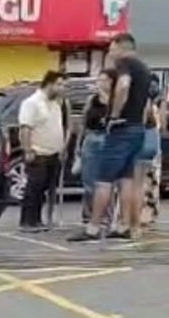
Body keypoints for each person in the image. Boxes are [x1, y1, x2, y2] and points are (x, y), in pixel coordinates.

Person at [68, 33, 152, 241]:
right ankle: (125, 225)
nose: (110, 53)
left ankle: (93, 227)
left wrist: (114, 116)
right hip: (137, 129)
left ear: (122, 47)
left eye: (112, 48)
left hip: (121, 129)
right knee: (127, 179)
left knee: (103, 180)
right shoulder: (144, 68)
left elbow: (123, 85)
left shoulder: (124, 63)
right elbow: (146, 104)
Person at [18, 71, 67, 233]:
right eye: (60, 84)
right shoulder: (32, 103)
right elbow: (26, 128)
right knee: (34, 187)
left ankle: (37, 219)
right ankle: (27, 221)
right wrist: (28, 149)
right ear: (50, 84)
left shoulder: (55, 103)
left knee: (44, 188)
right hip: (38, 152)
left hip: (52, 152)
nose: (62, 88)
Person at [74, 69, 117, 226]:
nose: (100, 83)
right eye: (99, 80)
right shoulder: (92, 100)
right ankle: (89, 215)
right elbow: (83, 123)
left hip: (108, 139)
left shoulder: (116, 100)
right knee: (89, 180)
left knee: (107, 181)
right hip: (92, 139)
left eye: (104, 80)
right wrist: (79, 144)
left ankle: (106, 215)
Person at [138, 76, 163, 226]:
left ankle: (145, 214)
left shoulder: (148, 106)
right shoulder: (153, 106)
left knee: (146, 182)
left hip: (147, 145)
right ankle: (147, 214)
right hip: (153, 145)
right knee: (150, 182)